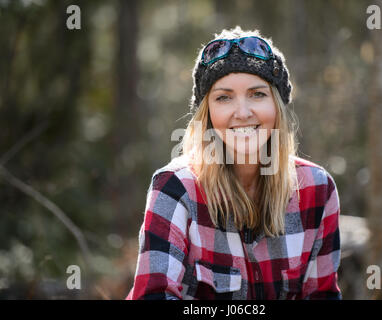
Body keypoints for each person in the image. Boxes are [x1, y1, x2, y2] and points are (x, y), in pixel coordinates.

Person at [126, 26, 341, 300]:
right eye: (224, 97)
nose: (242, 112)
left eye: (257, 94)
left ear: (277, 107)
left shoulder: (317, 189)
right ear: (208, 114)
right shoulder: (175, 188)